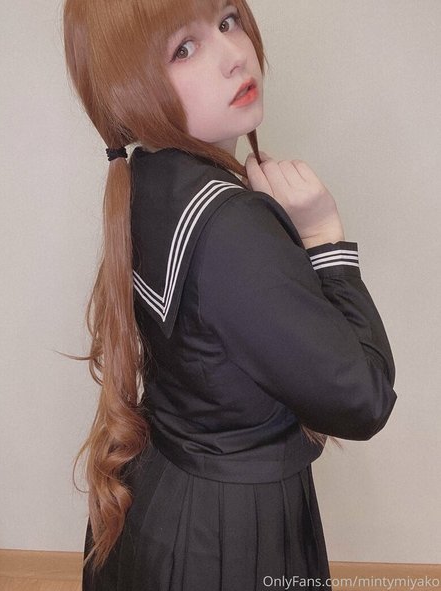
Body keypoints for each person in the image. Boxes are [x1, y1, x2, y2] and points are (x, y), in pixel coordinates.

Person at [63, 0, 397, 589]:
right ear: (129, 93)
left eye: (226, 20)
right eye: (183, 49)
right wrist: (325, 238)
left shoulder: (147, 176)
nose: (234, 56)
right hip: (229, 535)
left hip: (162, 498)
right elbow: (364, 400)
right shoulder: (230, 225)